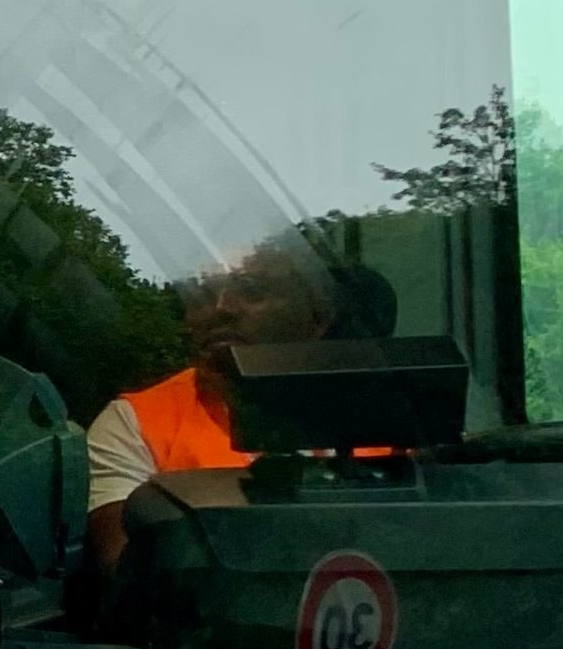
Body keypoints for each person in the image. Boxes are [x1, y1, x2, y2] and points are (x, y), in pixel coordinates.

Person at [83, 236, 387, 572]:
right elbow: (130, 578)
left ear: (319, 318)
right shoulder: (135, 423)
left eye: (252, 290)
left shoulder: (395, 417)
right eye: (202, 296)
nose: (221, 308)